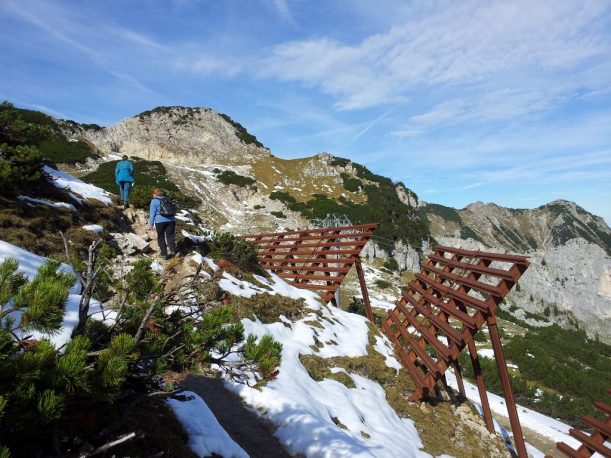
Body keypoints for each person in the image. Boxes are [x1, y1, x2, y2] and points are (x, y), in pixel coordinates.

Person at [148, 188, 176, 260]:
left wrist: (151, 225)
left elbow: (152, 214)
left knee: (161, 237)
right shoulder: (167, 199)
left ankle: (164, 254)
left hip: (160, 221)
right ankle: (173, 251)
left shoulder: (154, 201)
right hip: (171, 220)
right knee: (170, 236)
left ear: (154, 194)